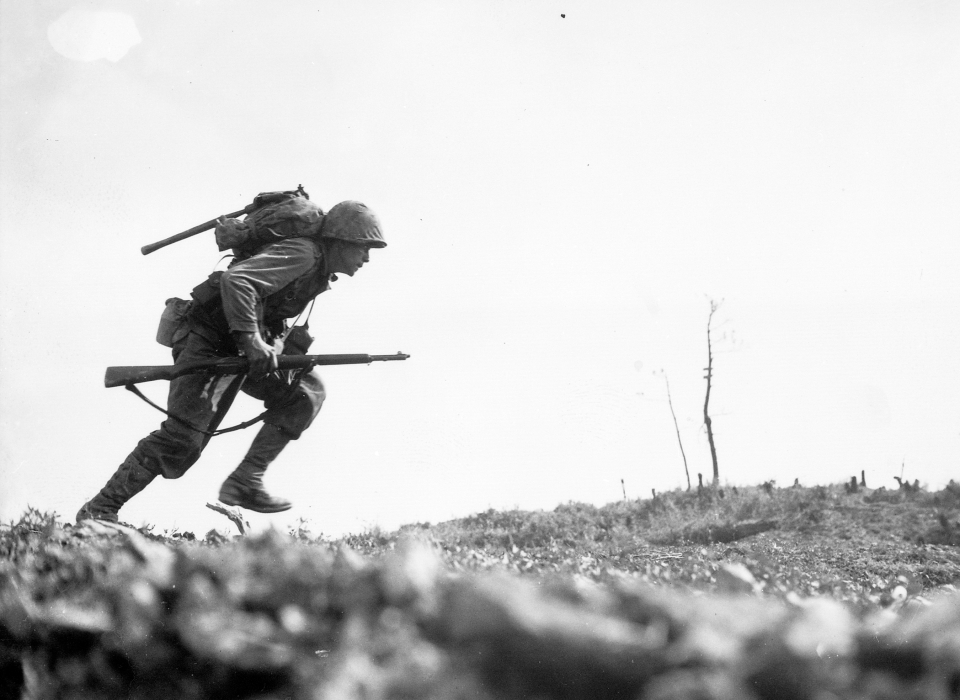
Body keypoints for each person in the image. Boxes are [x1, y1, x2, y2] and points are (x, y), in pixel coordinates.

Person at [76, 196, 386, 523]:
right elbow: (237, 282)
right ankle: (100, 509)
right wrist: (253, 342)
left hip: (238, 344)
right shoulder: (303, 254)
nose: (366, 257)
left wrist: (272, 344)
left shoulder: (317, 269)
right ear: (341, 241)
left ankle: (245, 480)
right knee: (182, 440)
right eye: (363, 247)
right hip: (208, 338)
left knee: (305, 394)